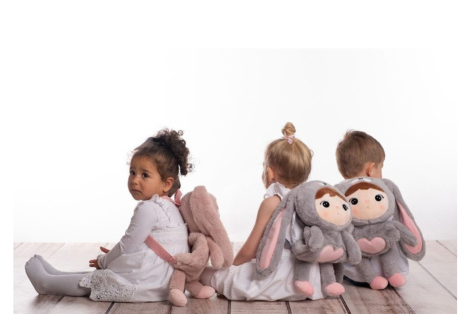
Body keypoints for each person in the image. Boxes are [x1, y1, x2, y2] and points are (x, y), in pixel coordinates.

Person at [25, 129, 194, 302]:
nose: (135, 180)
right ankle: (57, 276)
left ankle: (46, 284)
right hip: (165, 281)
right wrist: (112, 258)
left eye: (145, 175)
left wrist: (104, 260)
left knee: (101, 280)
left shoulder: (149, 208)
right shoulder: (171, 207)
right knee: (104, 276)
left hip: (149, 282)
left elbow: (127, 246)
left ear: (166, 184)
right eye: (132, 172)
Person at [201, 122, 323, 301]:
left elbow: (250, 249)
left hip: (277, 276)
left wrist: (232, 268)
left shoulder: (273, 202)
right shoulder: (311, 201)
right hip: (309, 278)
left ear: (270, 173)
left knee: (209, 274)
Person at [335, 130, 409, 285]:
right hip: (389, 266)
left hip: (355, 272)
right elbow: (400, 219)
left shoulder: (338, 193)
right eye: (381, 167)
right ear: (371, 169)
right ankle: (393, 274)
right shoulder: (384, 191)